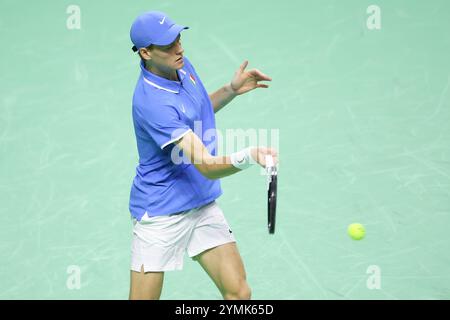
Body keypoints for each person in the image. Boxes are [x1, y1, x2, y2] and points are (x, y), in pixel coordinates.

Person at [128, 11, 278, 300]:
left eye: (178, 38)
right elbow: (207, 166)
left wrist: (230, 90)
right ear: (146, 53)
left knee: (239, 293)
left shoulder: (181, 67)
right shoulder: (151, 102)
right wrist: (250, 154)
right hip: (160, 212)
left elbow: (192, 114)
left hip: (199, 201)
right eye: (168, 45)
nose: (179, 48)